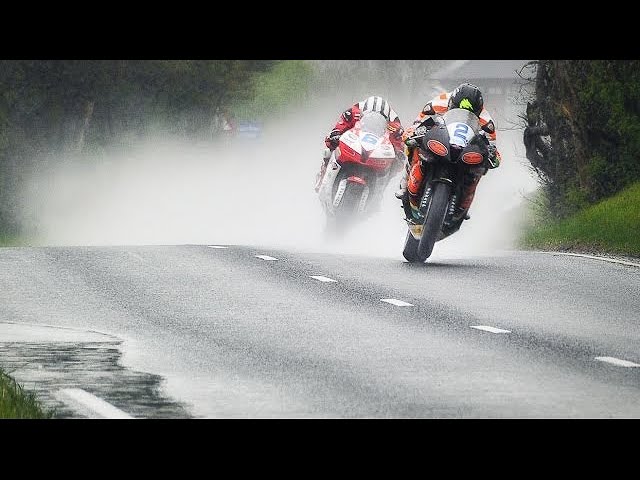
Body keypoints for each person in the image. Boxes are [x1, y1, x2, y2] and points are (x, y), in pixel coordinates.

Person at [395, 83, 501, 221]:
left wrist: (491, 154)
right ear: (451, 103)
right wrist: (414, 132)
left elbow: (492, 146)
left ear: (478, 110)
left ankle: (464, 204)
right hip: (439, 139)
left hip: (464, 150)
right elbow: (417, 123)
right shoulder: (437, 103)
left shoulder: (486, 121)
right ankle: (406, 178)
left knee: (479, 168)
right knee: (413, 145)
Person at [315, 95, 406, 192]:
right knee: (329, 149)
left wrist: (398, 155)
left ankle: (378, 194)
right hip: (354, 145)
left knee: (393, 167)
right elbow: (338, 127)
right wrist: (336, 134)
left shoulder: (395, 126)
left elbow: (399, 146)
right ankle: (323, 178)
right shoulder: (352, 112)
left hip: (376, 154)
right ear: (362, 113)